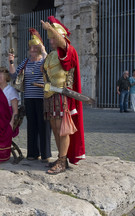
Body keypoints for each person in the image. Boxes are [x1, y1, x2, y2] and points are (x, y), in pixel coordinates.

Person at [40, 16, 85, 174]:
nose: (51, 40)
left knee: (63, 128)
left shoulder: (67, 50)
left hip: (62, 95)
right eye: (50, 38)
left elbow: (62, 42)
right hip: (50, 95)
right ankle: (62, 158)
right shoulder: (52, 54)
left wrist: (50, 28)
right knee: (54, 127)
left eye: (53, 38)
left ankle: (62, 161)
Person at [8, 28, 51, 162]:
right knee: (32, 125)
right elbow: (13, 75)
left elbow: (50, 68)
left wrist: (43, 51)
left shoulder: (44, 60)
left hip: (42, 98)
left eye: (35, 48)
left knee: (43, 125)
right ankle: (32, 153)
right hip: (29, 98)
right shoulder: (26, 62)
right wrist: (11, 62)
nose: (32, 50)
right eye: (31, 48)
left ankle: (45, 154)